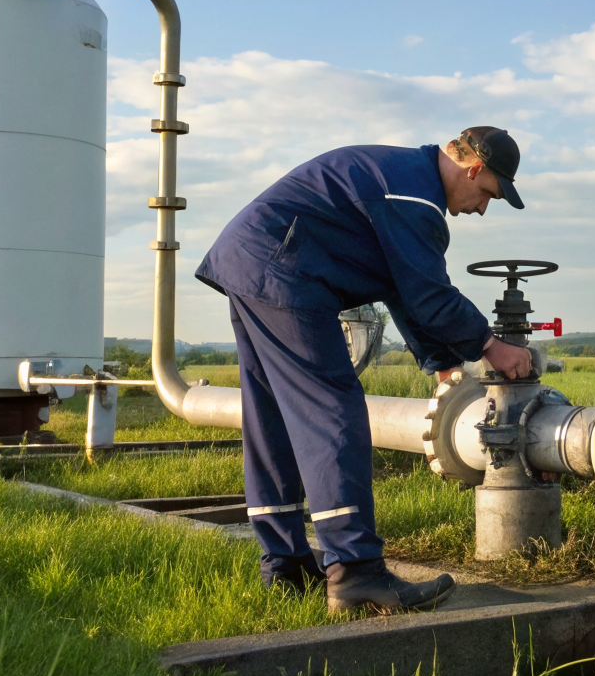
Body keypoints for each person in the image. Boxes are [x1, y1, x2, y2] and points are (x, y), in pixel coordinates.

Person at [194, 127, 533, 613]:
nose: (481, 208)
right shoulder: (415, 197)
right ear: (473, 168)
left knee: (271, 417)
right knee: (333, 411)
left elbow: (401, 288)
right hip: (285, 271)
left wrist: (442, 363)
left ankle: (285, 565)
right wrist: (490, 345)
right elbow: (428, 294)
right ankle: (355, 572)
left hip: (253, 259)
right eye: (486, 195)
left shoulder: (404, 178)